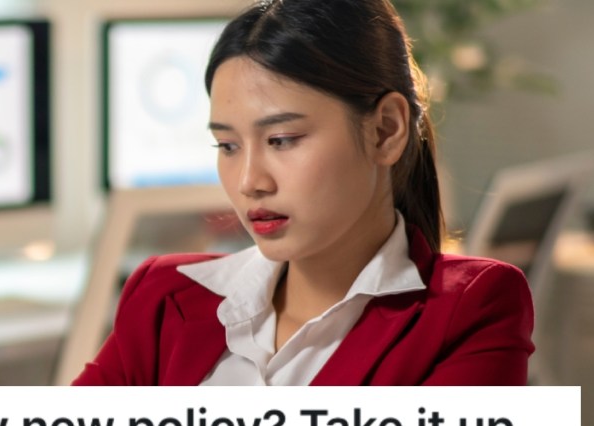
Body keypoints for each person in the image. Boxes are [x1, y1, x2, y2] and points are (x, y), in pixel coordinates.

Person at [73, 0, 534, 386]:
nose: (250, 181)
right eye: (228, 146)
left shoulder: (469, 308)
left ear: (385, 130)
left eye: (282, 140)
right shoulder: (163, 297)